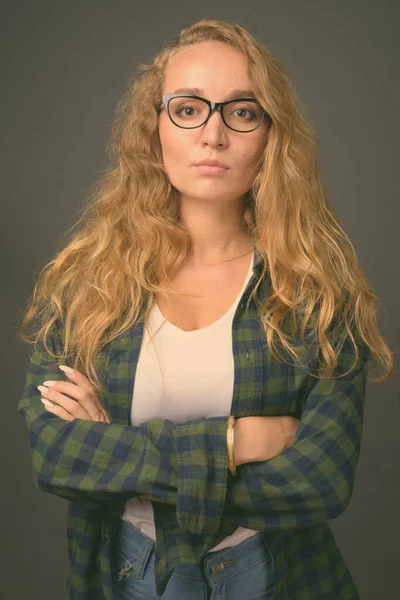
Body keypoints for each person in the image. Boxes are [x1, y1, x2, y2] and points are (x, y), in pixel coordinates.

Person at [17, 18, 393, 600]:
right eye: (189, 108)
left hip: (274, 576)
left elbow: (321, 482)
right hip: (127, 576)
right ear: (154, 127)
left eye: (241, 111)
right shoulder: (86, 282)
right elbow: (56, 456)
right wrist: (235, 443)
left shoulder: (318, 290)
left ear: (271, 135)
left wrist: (118, 453)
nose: (213, 135)